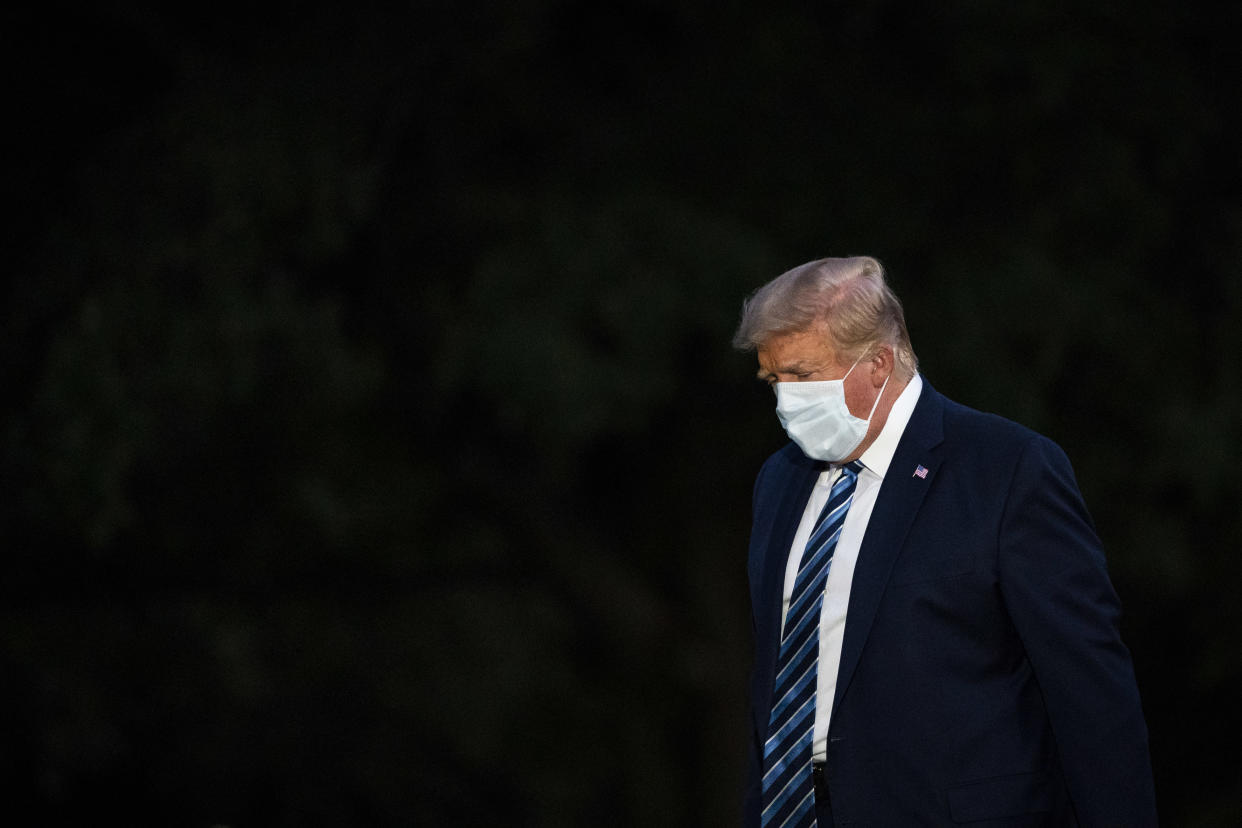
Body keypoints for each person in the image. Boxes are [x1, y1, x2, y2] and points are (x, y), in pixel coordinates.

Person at [733, 256, 1156, 827]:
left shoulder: (1007, 470)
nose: (785, 400)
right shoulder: (780, 481)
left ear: (879, 363)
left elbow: (1089, 689)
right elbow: (776, 683)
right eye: (772, 379)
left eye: (803, 376)